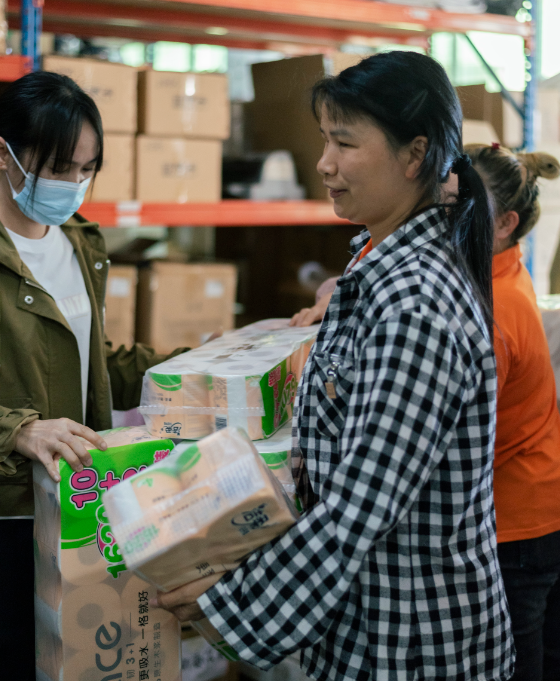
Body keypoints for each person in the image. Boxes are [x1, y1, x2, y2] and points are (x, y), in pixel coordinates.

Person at [153, 52, 514, 680]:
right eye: (325, 140)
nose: (324, 163)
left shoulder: (415, 308)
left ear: (415, 155)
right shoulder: (378, 272)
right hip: (366, 624)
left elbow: (359, 507)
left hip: (411, 644)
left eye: (344, 143)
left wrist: (230, 608)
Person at [0, 71, 187, 680]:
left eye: (86, 169)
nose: (72, 184)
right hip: (9, 511)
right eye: (58, 167)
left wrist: (195, 363)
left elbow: (93, 364)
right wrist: (17, 430)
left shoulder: (80, 243)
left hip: (78, 507)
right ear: (4, 155)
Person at [464, 143, 560, 681]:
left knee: (518, 662)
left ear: (507, 224)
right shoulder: (502, 267)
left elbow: (469, 438)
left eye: (466, 206)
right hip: (541, 494)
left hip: (519, 522)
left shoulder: (493, 311)